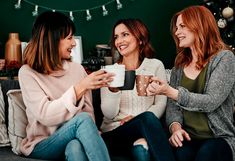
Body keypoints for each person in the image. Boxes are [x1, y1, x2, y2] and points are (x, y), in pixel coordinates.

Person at [18, 11, 113, 161]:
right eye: (69, 38)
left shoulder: (77, 70)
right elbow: (45, 116)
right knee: (82, 119)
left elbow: (89, 113)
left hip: (73, 138)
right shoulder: (27, 73)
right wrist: (79, 88)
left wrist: (92, 133)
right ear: (52, 40)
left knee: (75, 147)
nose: (74, 43)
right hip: (42, 144)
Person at [147, 5, 235, 161]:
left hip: (218, 138)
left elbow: (211, 101)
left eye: (182, 26)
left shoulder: (224, 58)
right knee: (180, 155)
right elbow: (173, 107)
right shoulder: (179, 66)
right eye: (176, 28)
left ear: (199, 26)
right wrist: (175, 129)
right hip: (189, 138)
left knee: (206, 154)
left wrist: (170, 92)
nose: (177, 32)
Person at [100, 18, 175, 161]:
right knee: (146, 120)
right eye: (116, 37)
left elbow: (160, 103)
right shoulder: (111, 71)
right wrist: (113, 90)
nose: (119, 41)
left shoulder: (155, 66)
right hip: (115, 132)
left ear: (140, 39)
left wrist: (137, 119)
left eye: (125, 34)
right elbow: (109, 114)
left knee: (142, 149)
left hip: (144, 131)